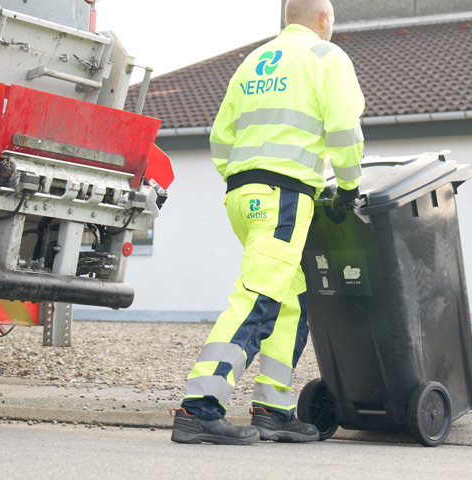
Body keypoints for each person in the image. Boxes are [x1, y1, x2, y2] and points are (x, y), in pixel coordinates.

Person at [171, 0, 365, 445]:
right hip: (284, 198)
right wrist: (349, 187)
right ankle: (200, 408)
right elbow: (343, 130)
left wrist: (244, 179)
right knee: (258, 298)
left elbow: (221, 137)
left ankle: (273, 410)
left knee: (289, 298)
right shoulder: (326, 56)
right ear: (324, 19)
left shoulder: (253, 62)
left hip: (243, 195)